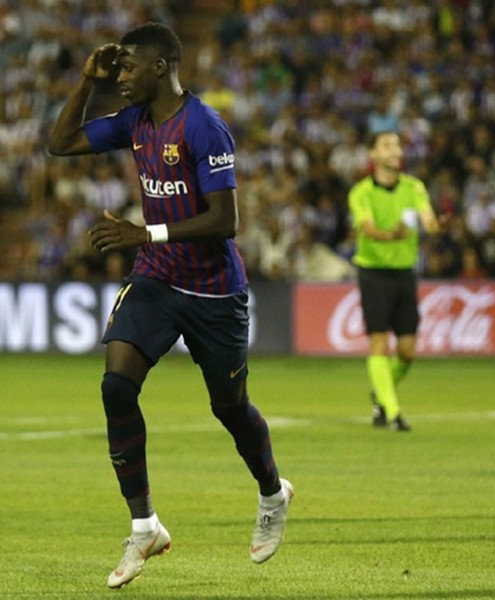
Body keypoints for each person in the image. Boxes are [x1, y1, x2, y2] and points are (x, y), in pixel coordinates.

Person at [47, 23, 293, 589]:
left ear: (160, 68)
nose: (120, 77)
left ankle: (273, 492)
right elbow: (60, 144)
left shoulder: (205, 127)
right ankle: (145, 524)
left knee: (230, 408)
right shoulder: (135, 121)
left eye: (127, 68)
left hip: (212, 290)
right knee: (116, 385)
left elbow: (226, 220)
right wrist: (86, 81)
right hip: (156, 281)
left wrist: (145, 234)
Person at [348, 130, 442, 432]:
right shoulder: (361, 192)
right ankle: (392, 412)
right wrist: (393, 235)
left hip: (404, 273)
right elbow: (368, 228)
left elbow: (429, 220)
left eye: (398, 145)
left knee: (407, 351)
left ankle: (380, 389)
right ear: (373, 155)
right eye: (387, 145)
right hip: (373, 272)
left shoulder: (414, 188)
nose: (395, 150)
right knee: (378, 341)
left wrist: (433, 225)